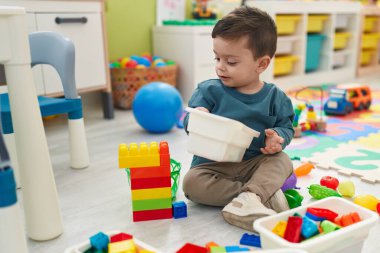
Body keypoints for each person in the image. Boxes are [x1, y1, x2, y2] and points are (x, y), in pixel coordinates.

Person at [182, 6, 295, 231]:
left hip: (254, 162)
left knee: (283, 161)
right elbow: (189, 124)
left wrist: (278, 138)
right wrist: (198, 119)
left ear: (261, 64)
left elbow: (286, 128)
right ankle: (255, 196)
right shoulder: (208, 91)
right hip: (213, 167)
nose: (220, 67)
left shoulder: (276, 98)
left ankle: (252, 197)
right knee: (191, 184)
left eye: (231, 62)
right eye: (217, 58)